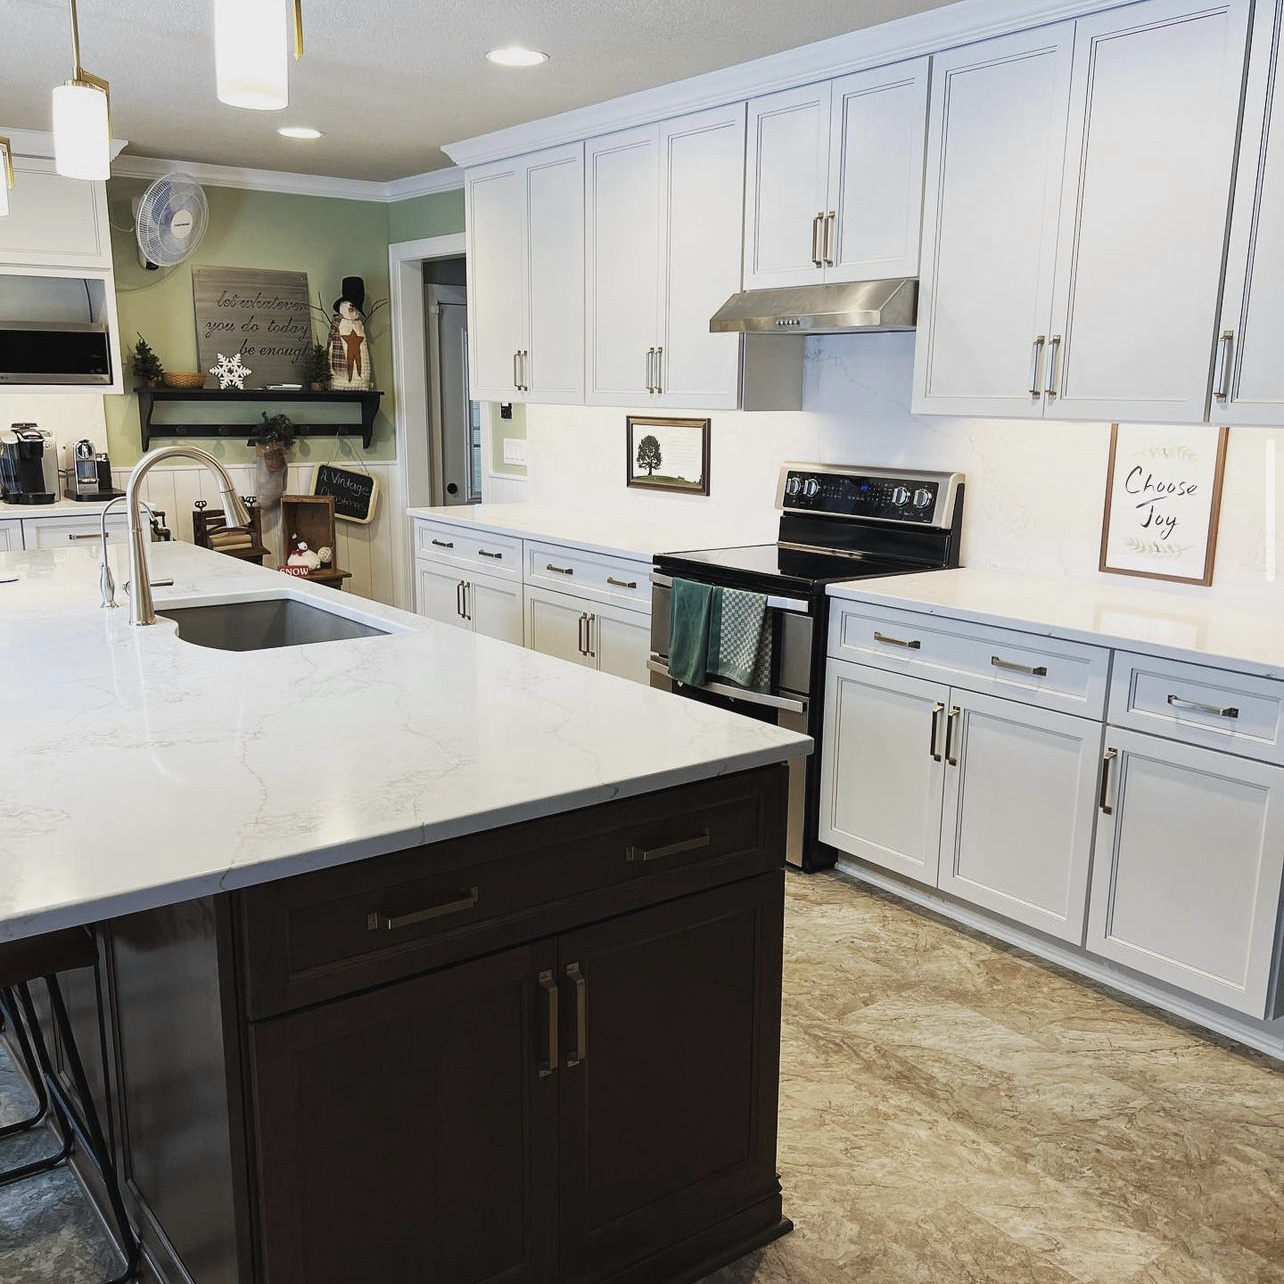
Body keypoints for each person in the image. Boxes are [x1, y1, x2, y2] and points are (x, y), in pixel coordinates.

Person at [328, 276, 373, 390]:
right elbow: (331, 347)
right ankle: (341, 381)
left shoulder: (359, 325)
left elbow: (364, 352)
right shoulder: (338, 324)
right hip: (339, 376)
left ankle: (360, 382)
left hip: (360, 379)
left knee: (360, 362)